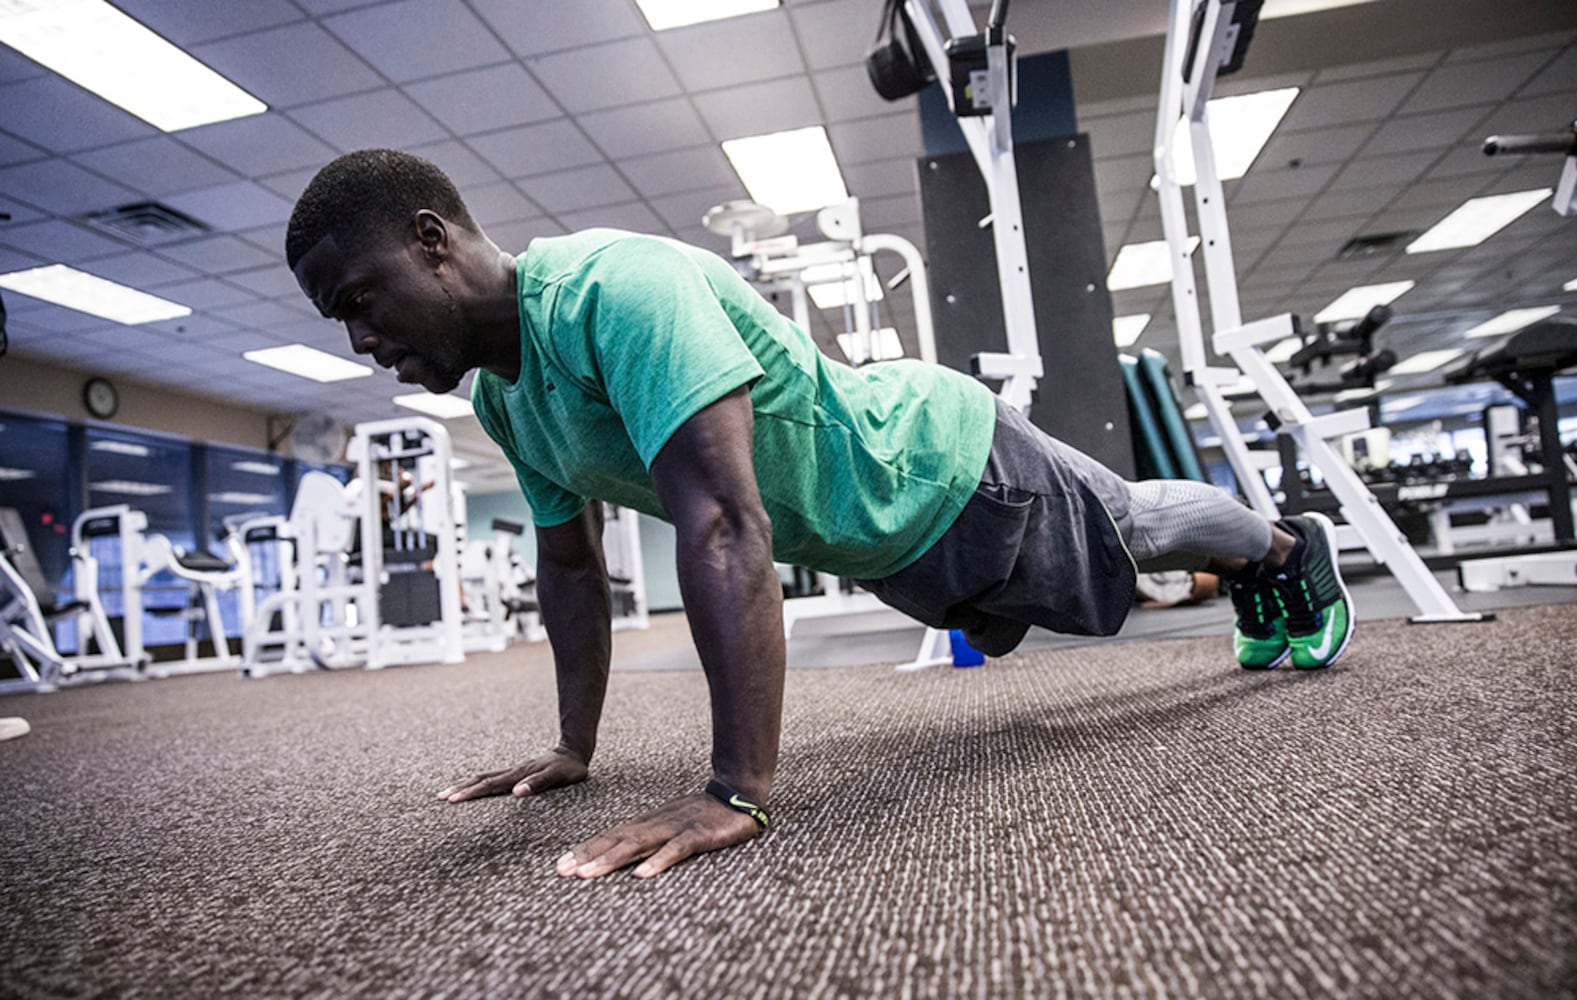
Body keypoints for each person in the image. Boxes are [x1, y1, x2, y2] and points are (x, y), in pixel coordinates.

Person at [286, 149, 1354, 881]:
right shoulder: (503, 397)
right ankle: (1263, 557)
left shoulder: (616, 290)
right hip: (885, 546)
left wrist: (733, 793)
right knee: (1110, 568)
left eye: (358, 301)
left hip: (948, 460)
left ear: (431, 240)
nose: (360, 342)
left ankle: (1283, 550)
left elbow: (721, 525)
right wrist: (572, 745)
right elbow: (569, 568)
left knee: (1136, 526)